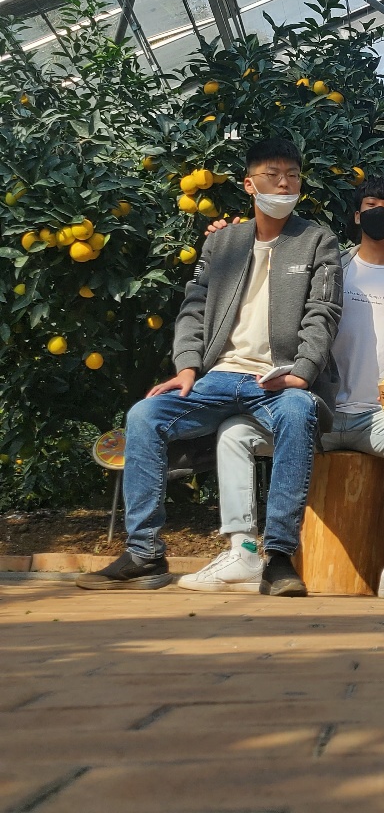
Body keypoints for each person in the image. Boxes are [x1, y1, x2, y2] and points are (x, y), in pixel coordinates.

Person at [76, 137, 342, 597]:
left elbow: (324, 311)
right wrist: (187, 367)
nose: (284, 183)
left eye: (293, 175)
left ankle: (279, 557)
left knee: (298, 411)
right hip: (217, 377)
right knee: (145, 415)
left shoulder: (318, 240)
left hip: (275, 380)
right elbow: (194, 307)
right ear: (249, 184)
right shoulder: (223, 242)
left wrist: (302, 370)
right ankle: (144, 553)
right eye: (272, 175)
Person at [182, 175, 384, 599]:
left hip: (378, 416)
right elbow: (268, 289)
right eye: (370, 206)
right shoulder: (328, 265)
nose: (379, 213)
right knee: (234, 434)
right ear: (356, 216)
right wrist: (232, 240)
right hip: (316, 413)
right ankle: (243, 551)